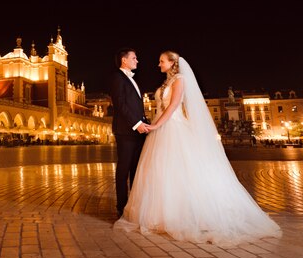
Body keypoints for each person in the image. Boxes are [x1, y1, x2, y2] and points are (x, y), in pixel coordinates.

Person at [114, 51, 281, 245]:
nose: (158, 64)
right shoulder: (167, 82)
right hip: (159, 130)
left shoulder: (180, 80)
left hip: (172, 128)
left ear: (172, 63)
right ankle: (164, 213)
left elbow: (173, 106)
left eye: (161, 61)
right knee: (162, 173)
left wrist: (156, 125)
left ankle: (185, 214)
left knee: (180, 171)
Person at [109, 48, 149, 218]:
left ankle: (133, 204)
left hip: (137, 131)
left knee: (135, 169)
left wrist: (144, 123)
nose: (137, 60)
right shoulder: (117, 78)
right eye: (134, 58)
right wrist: (136, 123)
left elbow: (134, 106)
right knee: (124, 169)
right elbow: (120, 105)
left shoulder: (131, 80)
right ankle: (121, 206)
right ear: (124, 60)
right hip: (125, 131)